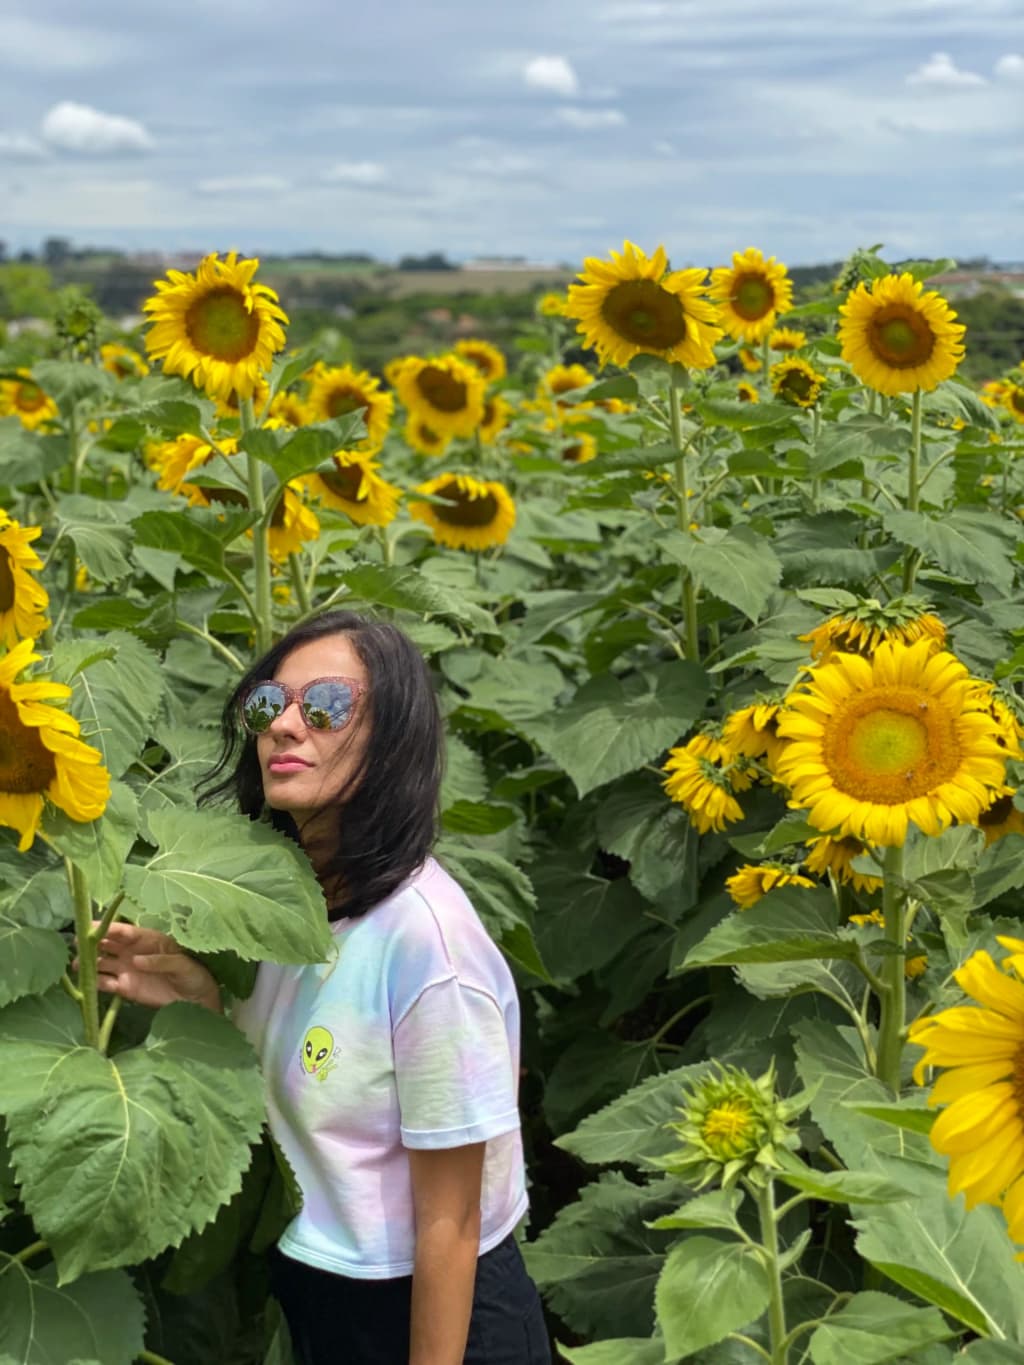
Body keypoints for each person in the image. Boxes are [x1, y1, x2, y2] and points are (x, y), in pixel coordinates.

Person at [93, 609, 551, 1365]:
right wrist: (200, 1000)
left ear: (392, 736)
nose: (285, 725)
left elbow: (452, 1219)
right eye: (270, 704)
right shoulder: (295, 904)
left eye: (327, 705)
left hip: (432, 1313)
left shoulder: (428, 947)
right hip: (326, 1291)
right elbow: (320, 1077)